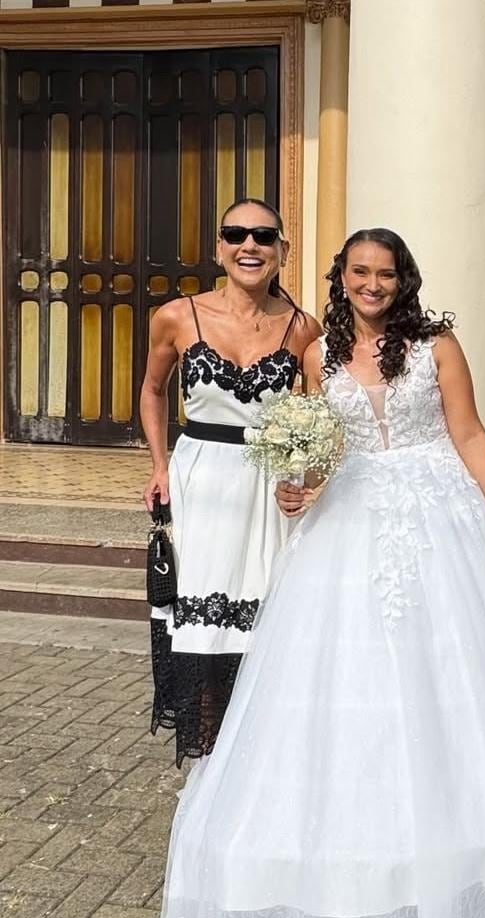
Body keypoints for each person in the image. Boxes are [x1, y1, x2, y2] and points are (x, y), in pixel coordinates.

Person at [158, 228, 485, 918]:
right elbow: (320, 448)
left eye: (384, 273)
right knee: (348, 688)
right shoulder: (317, 354)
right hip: (346, 522)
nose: (372, 284)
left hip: (441, 517)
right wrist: (298, 486)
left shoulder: (437, 346)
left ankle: (473, 857)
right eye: (359, 272)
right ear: (341, 278)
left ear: (402, 279)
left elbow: (469, 435)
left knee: (458, 678)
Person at [140, 199, 321, 767]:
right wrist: (160, 465)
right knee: (202, 626)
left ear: (282, 250)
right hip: (201, 483)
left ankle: (259, 760)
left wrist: (304, 476)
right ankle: (207, 762)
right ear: (218, 247)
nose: (250, 245)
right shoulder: (176, 316)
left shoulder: (303, 329)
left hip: (268, 490)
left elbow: (319, 415)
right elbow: (152, 391)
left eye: (263, 236)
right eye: (236, 234)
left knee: (263, 619)